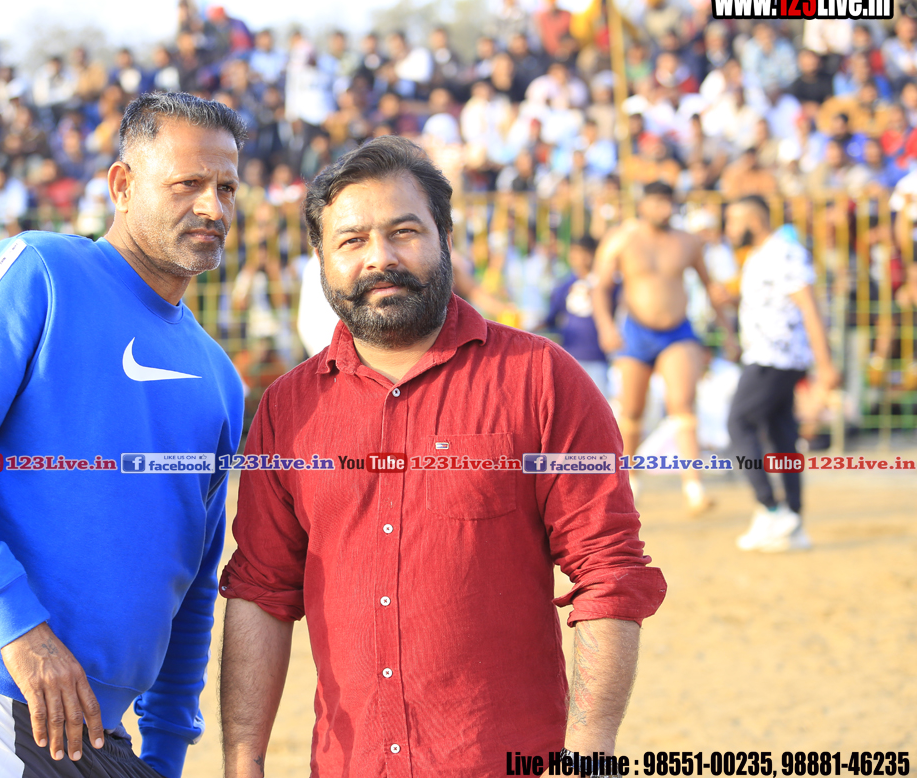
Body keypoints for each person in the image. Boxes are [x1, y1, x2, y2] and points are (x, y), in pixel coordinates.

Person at [219, 137, 666, 777]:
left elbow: (608, 570)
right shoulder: (287, 411)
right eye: (351, 241)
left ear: (445, 238)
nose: (380, 257)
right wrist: (243, 764)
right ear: (320, 259)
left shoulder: (542, 381)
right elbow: (261, 591)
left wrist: (588, 755)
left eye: (404, 232)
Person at [0, 92, 245, 778]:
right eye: (188, 183)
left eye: (226, 187)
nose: (213, 206)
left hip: (105, 735)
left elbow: (193, 583)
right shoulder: (38, 271)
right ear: (122, 186)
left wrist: (166, 748)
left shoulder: (218, 376)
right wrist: (21, 632)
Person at [592, 181, 735, 512]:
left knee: (683, 404)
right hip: (635, 332)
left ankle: (694, 487)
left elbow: (710, 288)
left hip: (678, 332)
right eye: (657, 202)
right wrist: (606, 326)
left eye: (668, 202)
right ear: (643, 204)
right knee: (632, 410)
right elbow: (600, 287)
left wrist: (728, 332)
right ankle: (630, 481)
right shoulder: (622, 238)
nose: (663, 209)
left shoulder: (687, 242)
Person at [724, 197, 839, 552]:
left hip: (775, 358)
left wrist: (825, 364)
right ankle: (794, 521)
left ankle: (770, 508)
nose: (729, 230)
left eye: (733, 221)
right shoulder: (758, 255)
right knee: (781, 435)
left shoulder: (783, 252)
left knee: (738, 424)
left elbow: (809, 306)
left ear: (754, 220)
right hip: (768, 356)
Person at [540, 235, 615, 394]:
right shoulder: (565, 286)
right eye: (575, 252)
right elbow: (551, 318)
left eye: (584, 252)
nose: (579, 258)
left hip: (598, 357)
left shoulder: (606, 285)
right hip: (571, 356)